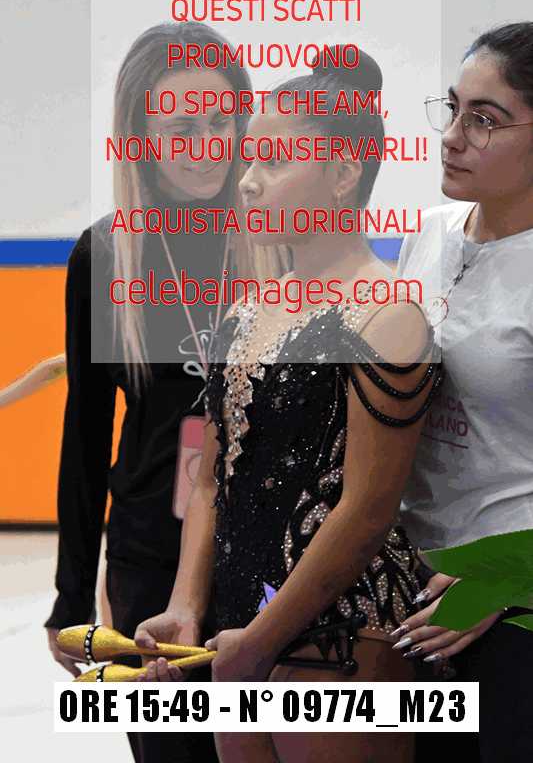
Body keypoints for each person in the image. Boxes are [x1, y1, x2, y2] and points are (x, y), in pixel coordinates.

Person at [134, 47, 443, 763]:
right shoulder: (244, 312)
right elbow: (210, 481)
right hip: (238, 620)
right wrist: (186, 605)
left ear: (342, 174)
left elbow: (366, 511)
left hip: (342, 629)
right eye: (250, 160)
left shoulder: (388, 316)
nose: (246, 181)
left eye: (272, 162)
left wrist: (265, 640)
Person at [45, 20, 252, 763]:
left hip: (263, 545)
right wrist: (71, 597)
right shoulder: (107, 254)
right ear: (141, 135)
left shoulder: (275, 237)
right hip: (149, 553)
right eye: (181, 127)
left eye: (220, 122)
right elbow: (85, 434)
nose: (205, 145)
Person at [391, 22, 533, 762]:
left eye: (484, 119)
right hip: (411, 587)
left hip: (511, 601)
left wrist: (509, 573)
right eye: (452, 109)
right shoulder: (429, 233)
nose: (451, 137)